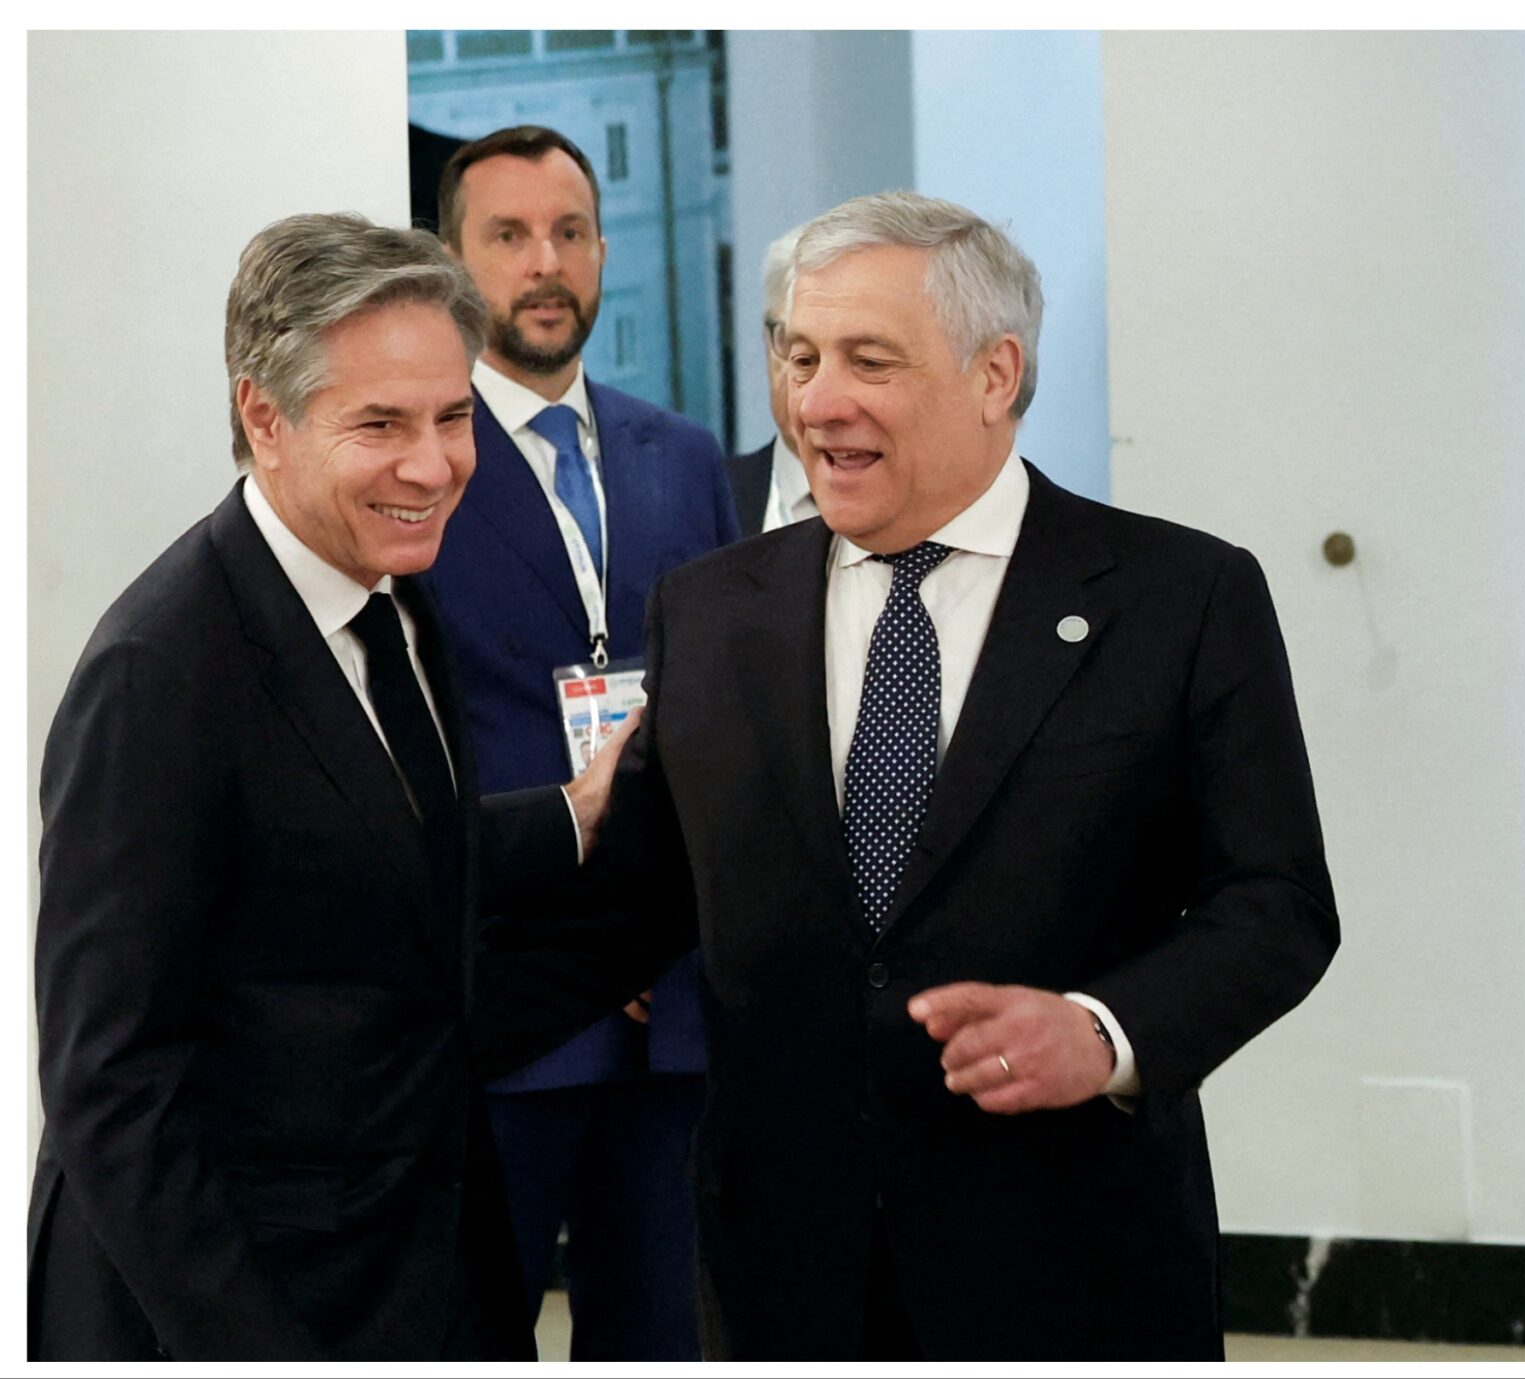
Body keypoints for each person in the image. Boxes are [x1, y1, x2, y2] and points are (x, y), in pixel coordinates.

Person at [508, 190, 1340, 1359]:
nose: (816, 400)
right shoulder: (714, 608)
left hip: (1068, 1260)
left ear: (995, 375)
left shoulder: (1178, 598)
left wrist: (1104, 1032)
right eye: (799, 356)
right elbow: (629, 907)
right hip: (784, 1273)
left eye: (867, 360)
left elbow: (1278, 905)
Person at [28, 213, 621, 1359]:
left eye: (453, 418)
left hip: (416, 1269)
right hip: (246, 1303)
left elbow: (354, 851)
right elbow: (110, 1083)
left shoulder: (388, 586)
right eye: (381, 424)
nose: (434, 465)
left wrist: (576, 816)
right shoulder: (157, 672)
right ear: (265, 416)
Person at [416, 123, 736, 1361]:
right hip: (510, 1001)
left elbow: (721, 713)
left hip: (674, 1016)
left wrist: (680, 910)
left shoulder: (685, 458)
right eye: (507, 237)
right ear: (453, 262)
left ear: (603, 250)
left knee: (663, 1331)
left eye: (568, 233)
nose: (545, 263)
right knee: (476, 1329)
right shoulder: (422, 467)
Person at [729, 225, 816, 531]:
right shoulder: (702, 501)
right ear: (767, 342)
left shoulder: (937, 510)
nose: (823, 390)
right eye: (796, 346)